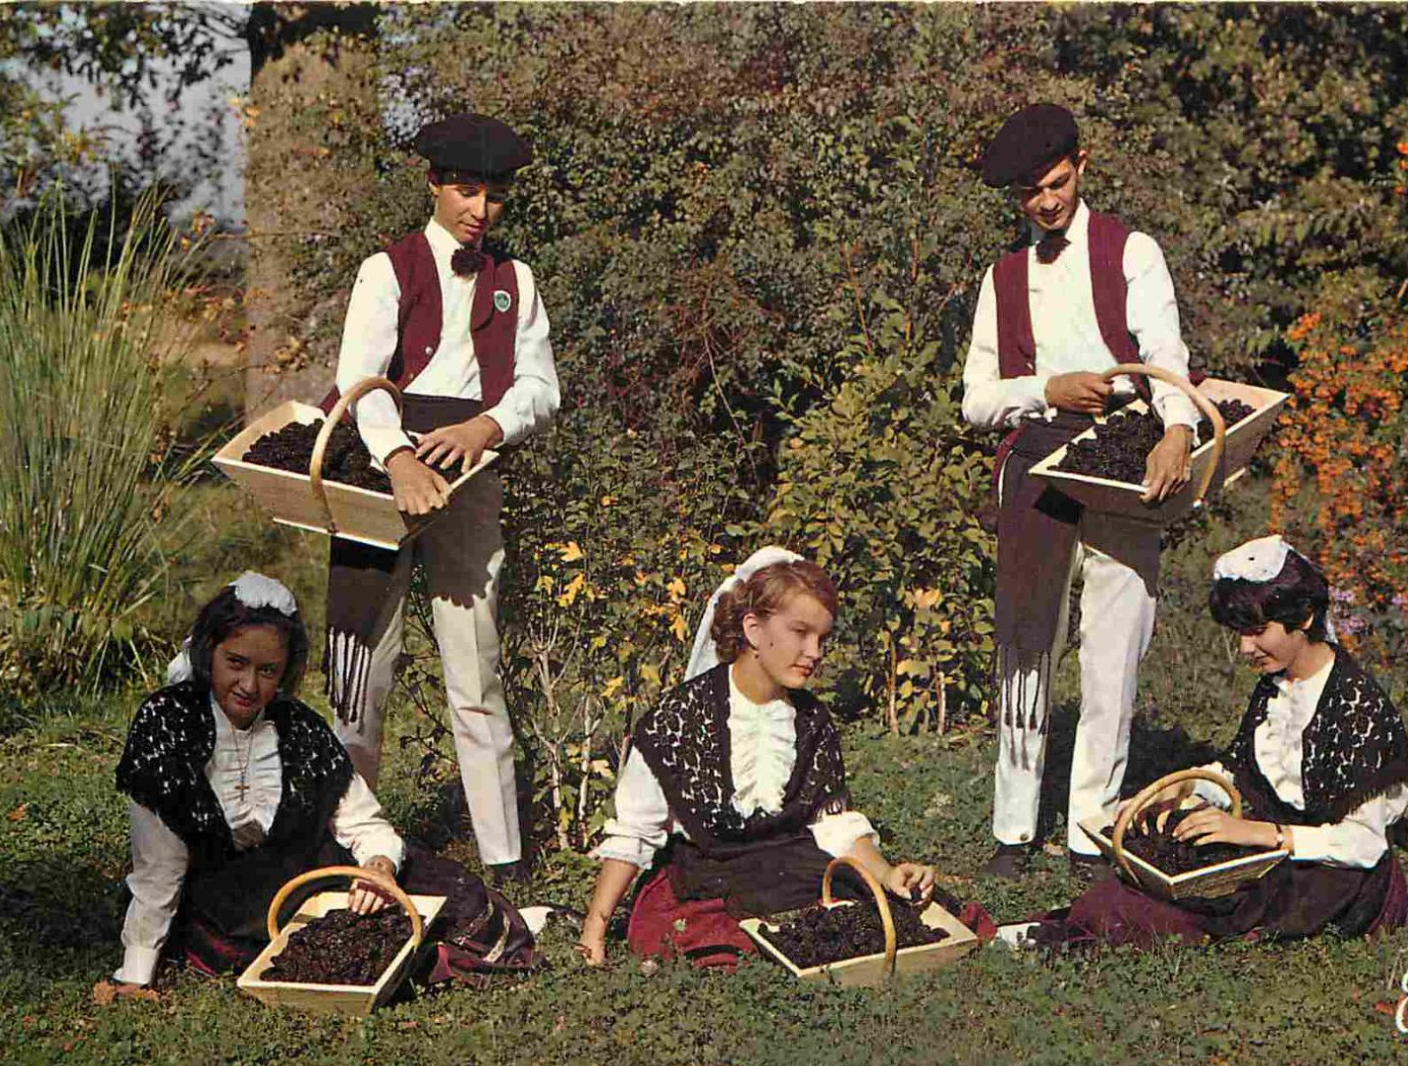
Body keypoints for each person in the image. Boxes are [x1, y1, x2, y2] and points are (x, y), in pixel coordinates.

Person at [960, 102, 1202, 880]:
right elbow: (975, 398)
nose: (1047, 202)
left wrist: (1177, 429)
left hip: (1127, 457)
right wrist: (1046, 387)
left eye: (1057, 184)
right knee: (1027, 643)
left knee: (1113, 645)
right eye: (1031, 193)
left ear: (1083, 166)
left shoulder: (1132, 251)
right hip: (1035, 459)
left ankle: (1092, 828)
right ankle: (1011, 828)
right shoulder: (1001, 279)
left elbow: (1167, 351)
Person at [321, 112, 559, 877]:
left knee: (475, 662)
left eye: (492, 197)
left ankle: (504, 854)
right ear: (432, 185)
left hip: (470, 469)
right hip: (380, 462)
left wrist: (487, 427)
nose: (477, 211)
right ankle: (354, 843)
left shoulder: (515, 280)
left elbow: (540, 386)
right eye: (464, 191)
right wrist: (397, 458)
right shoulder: (384, 270)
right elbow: (360, 382)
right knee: (362, 662)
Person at [106, 573, 534, 994]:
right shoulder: (167, 723)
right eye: (235, 663)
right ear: (207, 651)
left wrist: (378, 868)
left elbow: (363, 824)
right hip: (225, 907)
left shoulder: (299, 729)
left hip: (310, 876)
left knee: (458, 899)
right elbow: (158, 866)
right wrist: (136, 970)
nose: (250, 685)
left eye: (268, 670)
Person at [1031, 536, 1408, 949]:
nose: (1245, 649)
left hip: (1335, 871)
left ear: (1303, 618)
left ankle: (1128, 921)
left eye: (1257, 632)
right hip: (1276, 848)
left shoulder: (1358, 707)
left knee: (1184, 903)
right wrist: (1183, 786)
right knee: (1170, 848)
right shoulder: (1277, 685)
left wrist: (1256, 834)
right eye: (1239, 634)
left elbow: (1364, 844)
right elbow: (1242, 771)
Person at [577, 550, 945, 968]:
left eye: (822, 639)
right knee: (718, 940)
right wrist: (594, 929)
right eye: (800, 632)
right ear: (753, 629)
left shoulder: (811, 719)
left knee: (884, 920)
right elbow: (635, 833)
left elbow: (833, 822)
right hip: (711, 874)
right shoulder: (678, 718)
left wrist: (885, 874)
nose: (815, 652)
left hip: (790, 867)